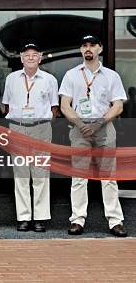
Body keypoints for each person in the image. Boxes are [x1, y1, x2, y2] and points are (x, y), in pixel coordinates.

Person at [59, 34, 128, 237]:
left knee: (109, 177)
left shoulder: (111, 76)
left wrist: (99, 123)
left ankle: (115, 221)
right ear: (81, 50)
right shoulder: (71, 75)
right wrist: (81, 123)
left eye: (92, 45)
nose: (88, 48)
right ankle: (77, 220)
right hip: (80, 130)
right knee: (79, 177)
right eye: (84, 46)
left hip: (104, 128)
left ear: (100, 49)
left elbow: (118, 105)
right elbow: (65, 105)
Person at [2, 43, 59, 233]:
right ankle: (24, 217)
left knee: (41, 174)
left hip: (41, 129)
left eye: (35, 54)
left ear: (41, 57)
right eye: (27, 55)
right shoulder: (11, 79)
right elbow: (6, 106)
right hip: (17, 128)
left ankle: (40, 218)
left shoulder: (49, 79)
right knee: (21, 175)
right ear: (21, 58)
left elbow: (54, 108)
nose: (31, 57)